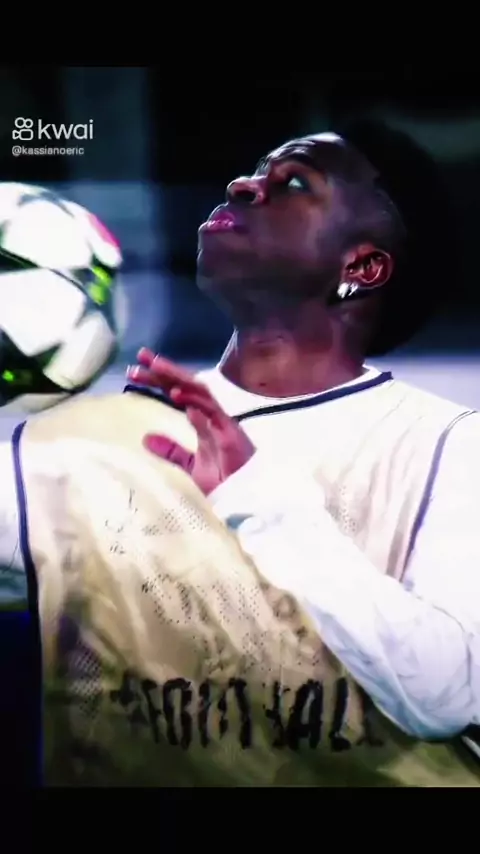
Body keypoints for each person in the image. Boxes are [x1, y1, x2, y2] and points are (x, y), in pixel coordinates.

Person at [2, 123, 480, 786]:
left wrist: (256, 497)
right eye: (257, 169)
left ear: (362, 268)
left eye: (294, 182)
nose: (242, 184)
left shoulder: (448, 443)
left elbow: (448, 692)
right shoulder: (91, 443)